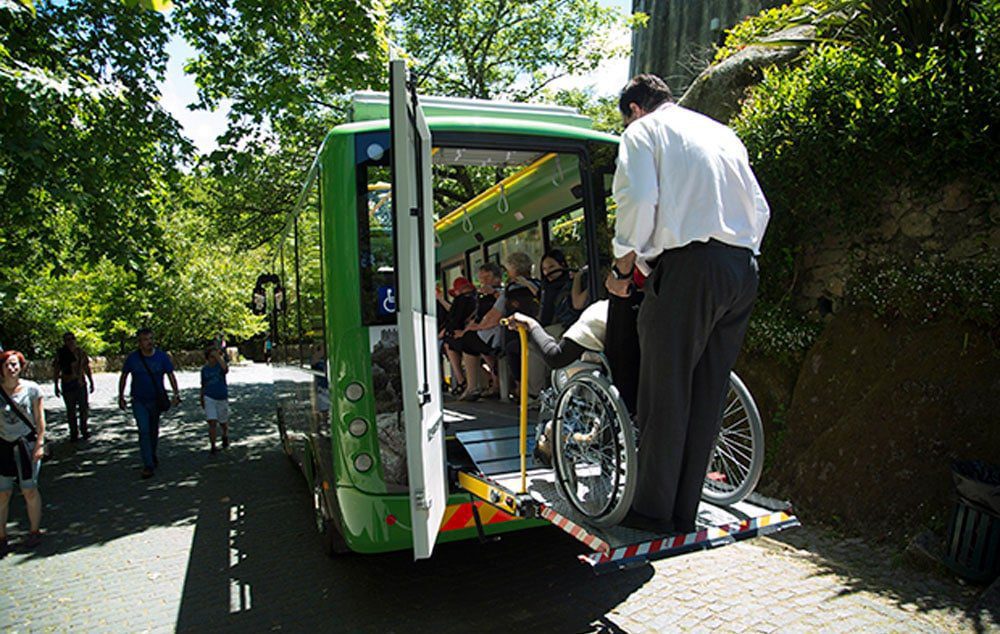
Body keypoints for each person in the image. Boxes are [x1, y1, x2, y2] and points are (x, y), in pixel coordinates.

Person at [606, 74, 770, 534]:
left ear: (635, 109)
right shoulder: (722, 132)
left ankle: (653, 513)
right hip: (742, 267)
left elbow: (638, 199)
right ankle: (684, 509)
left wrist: (623, 267)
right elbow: (760, 207)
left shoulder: (643, 131)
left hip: (689, 267)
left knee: (666, 388)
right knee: (707, 391)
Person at [456, 253, 540, 400]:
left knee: (468, 341)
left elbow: (494, 317)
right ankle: (496, 383)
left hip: (507, 334)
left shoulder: (510, 290)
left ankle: (474, 386)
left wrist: (475, 327)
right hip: (535, 331)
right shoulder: (537, 285)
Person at [0, 350, 46, 555]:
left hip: (26, 445)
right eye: (8, 365)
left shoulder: (32, 389)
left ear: (21, 366)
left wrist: (40, 443)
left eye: (15, 364)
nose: (11, 368)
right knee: (3, 493)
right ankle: (1, 536)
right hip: (3, 446)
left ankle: (34, 531)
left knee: (29, 489)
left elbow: (39, 418)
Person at [118, 328, 180, 479]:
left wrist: (176, 393)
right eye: (146, 340)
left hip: (156, 400)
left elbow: (171, 374)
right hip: (139, 400)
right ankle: (148, 464)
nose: (149, 342)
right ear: (139, 343)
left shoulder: (161, 357)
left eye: (151, 339)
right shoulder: (133, 358)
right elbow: (124, 376)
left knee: (153, 430)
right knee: (143, 430)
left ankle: (151, 453)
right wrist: (121, 396)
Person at [52, 331, 94, 442]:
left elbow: (87, 368)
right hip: (67, 384)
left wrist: (91, 382)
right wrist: (56, 385)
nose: (70, 341)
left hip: (80, 383)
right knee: (71, 410)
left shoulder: (81, 352)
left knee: (83, 408)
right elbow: (56, 370)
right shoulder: (61, 354)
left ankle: (84, 430)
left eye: (72, 339)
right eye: (67, 340)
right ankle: (73, 433)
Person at [440, 276, 478, 396]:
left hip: (469, 337)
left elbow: (454, 319)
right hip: (477, 333)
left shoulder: (462, 300)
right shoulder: (476, 298)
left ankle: (462, 381)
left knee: (449, 345)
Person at [200, 345, 230, 454]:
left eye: (215, 357)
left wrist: (218, 356)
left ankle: (225, 435)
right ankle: (213, 445)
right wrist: (201, 398)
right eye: (211, 357)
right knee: (212, 422)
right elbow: (203, 385)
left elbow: (226, 369)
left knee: (223, 421)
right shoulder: (204, 370)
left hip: (221, 396)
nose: (214, 359)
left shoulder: (220, 367)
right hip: (209, 397)